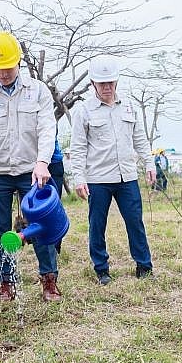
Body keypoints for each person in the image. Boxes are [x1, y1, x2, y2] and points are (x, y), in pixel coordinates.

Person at [0, 31, 62, 302]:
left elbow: (46, 128)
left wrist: (42, 162)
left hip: (33, 172)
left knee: (41, 225)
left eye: (7, 68)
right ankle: (6, 282)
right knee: (0, 229)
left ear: (18, 62)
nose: (3, 74)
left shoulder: (38, 90)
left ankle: (49, 279)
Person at [70, 55, 156, 286]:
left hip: (127, 176)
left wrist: (149, 163)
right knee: (97, 224)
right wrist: (78, 177)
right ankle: (101, 268)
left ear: (116, 82)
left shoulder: (129, 106)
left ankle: (144, 265)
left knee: (135, 221)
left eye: (110, 82)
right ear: (93, 84)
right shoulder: (84, 111)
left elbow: (139, 138)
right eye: (102, 83)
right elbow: (77, 147)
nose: (107, 87)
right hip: (98, 179)